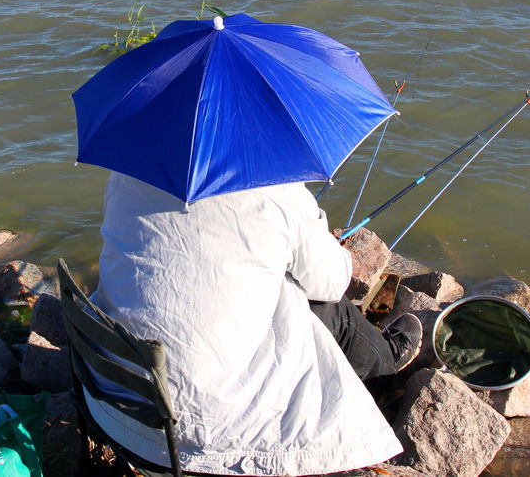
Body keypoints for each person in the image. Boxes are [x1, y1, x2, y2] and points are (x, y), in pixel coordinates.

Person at [89, 171, 424, 476]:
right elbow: (334, 282)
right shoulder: (276, 186)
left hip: (116, 403)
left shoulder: (126, 174)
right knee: (315, 300)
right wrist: (314, 228)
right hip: (203, 439)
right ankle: (385, 366)